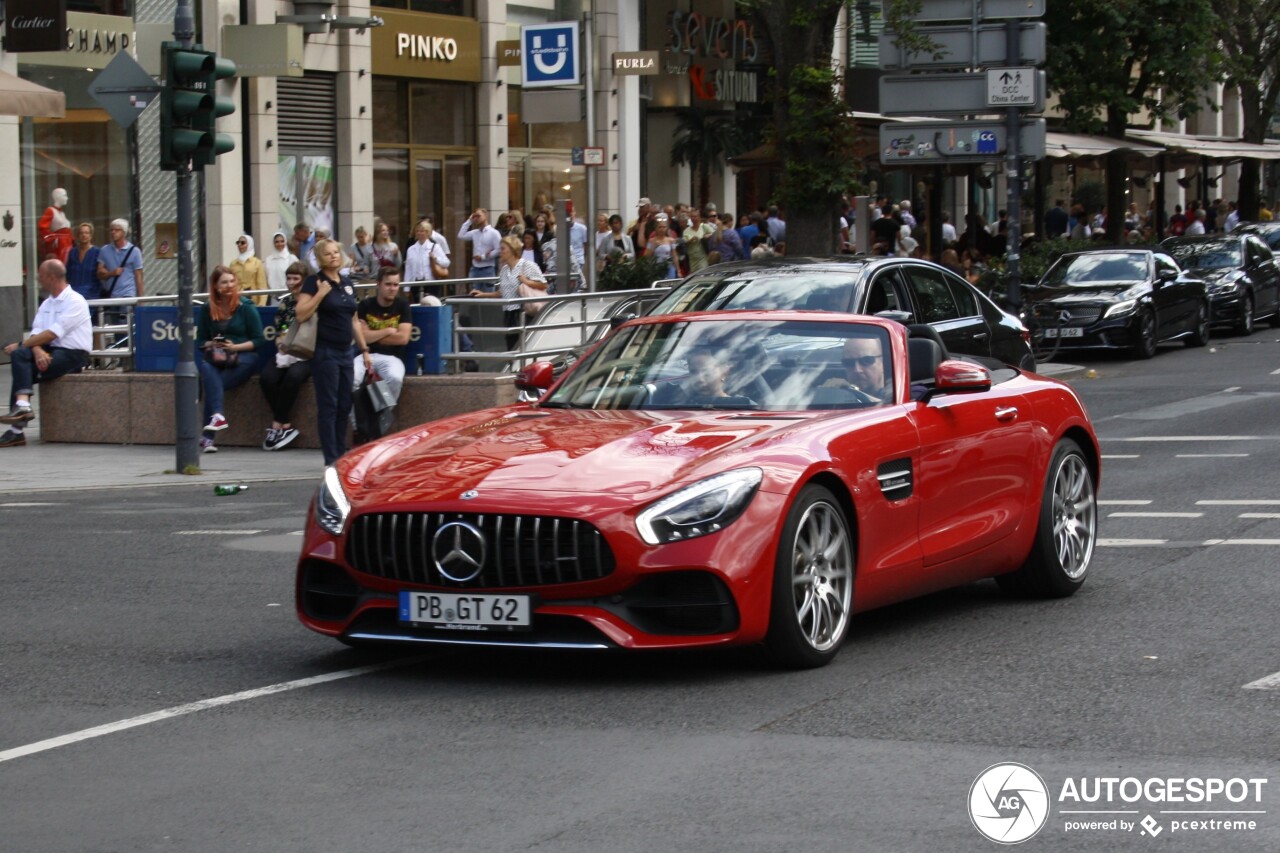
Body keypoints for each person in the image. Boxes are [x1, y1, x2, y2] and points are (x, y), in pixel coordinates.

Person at [295, 238, 372, 466]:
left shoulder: (347, 283)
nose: (333, 257)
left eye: (336, 252)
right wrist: (320, 295)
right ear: (320, 258)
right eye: (327, 254)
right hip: (324, 351)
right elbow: (300, 314)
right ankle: (331, 458)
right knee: (328, 405)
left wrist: (364, 350)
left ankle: (341, 452)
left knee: (344, 404)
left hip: (345, 351)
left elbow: (354, 320)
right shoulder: (314, 282)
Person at [0, 260, 92, 448]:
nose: (38, 280)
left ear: (51, 277)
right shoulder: (46, 304)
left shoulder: (75, 301)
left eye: (40, 276)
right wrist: (36, 349)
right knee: (20, 358)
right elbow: (37, 332)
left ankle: (16, 430)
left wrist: (22, 344)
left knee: (21, 362)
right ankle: (23, 406)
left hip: (73, 354)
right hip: (49, 348)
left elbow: (52, 333)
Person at [195, 266, 265, 453]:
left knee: (212, 383)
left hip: (244, 357)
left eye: (232, 281)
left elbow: (259, 340)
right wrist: (214, 343)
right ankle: (217, 417)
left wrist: (234, 347)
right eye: (224, 282)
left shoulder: (246, 307)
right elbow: (200, 341)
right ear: (216, 286)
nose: (229, 286)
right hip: (218, 357)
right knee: (207, 368)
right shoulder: (207, 309)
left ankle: (207, 437)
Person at [352, 267, 413, 439]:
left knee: (394, 378)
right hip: (365, 355)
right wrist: (388, 330)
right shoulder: (365, 305)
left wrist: (372, 335)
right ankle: (359, 427)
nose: (392, 288)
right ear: (378, 284)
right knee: (350, 378)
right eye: (388, 284)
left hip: (392, 358)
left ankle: (378, 424)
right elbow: (361, 337)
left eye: (396, 284)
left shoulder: (402, 305)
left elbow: (403, 338)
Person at [259, 262, 312, 450]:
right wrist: (280, 344)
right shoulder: (286, 302)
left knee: (293, 377)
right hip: (286, 350)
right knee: (267, 378)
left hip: (307, 352)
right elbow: (279, 329)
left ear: (304, 280)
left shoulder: (313, 301)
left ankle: (276, 424)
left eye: (295, 279)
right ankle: (285, 424)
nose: (291, 282)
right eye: (289, 278)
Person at [468, 235, 548, 350]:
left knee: (524, 345)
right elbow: (503, 292)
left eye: (503, 248)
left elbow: (543, 284)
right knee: (511, 345)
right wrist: (483, 294)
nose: (500, 252)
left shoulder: (527, 265)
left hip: (524, 312)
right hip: (509, 313)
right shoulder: (504, 270)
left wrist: (526, 282)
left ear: (512, 249)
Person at [822, 335, 890, 404]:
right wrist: (827, 394)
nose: (857, 370)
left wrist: (856, 393)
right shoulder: (839, 395)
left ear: (883, 362)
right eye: (849, 363)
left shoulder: (897, 393)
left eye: (866, 360)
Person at [651, 347, 731, 405]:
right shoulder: (678, 406)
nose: (700, 379)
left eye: (707, 372)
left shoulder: (737, 406)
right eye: (694, 372)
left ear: (724, 373)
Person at [96, 219, 144, 299]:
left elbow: (138, 278)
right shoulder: (105, 250)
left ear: (124, 232)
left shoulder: (134, 251)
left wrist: (141, 300)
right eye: (111, 230)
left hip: (127, 294)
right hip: (111, 294)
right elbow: (99, 274)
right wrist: (111, 273)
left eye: (117, 230)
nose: (113, 232)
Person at [403, 219, 451, 292]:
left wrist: (435, 259)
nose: (419, 233)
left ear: (427, 233)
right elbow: (408, 269)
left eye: (422, 231)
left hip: (431, 284)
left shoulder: (435, 247)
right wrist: (406, 288)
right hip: (416, 284)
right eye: (417, 231)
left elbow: (447, 263)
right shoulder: (411, 249)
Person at [457, 207, 502, 284]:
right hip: (475, 269)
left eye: (478, 216)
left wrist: (483, 257)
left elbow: (499, 249)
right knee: (474, 294)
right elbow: (461, 235)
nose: (476, 218)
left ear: (485, 216)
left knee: (488, 293)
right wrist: (469, 221)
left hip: (488, 268)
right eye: (475, 216)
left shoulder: (494, 233)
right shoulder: (475, 233)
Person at [65, 223, 100, 302]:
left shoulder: (97, 252)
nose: (84, 235)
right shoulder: (72, 252)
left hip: (91, 294)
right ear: (77, 236)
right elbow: (68, 274)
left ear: (91, 235)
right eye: (81, 233)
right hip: (73, 294)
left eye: (86, 233)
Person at [229, 234, 269, 305]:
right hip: (237, 298)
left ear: (249, 244)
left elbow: (262, 285)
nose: (239, 245)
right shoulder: (233, 264)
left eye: (243, 243)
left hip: (253, 298)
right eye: (238, 242)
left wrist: (262, 303)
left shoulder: (257, 262)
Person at [37, 188, 73, 262]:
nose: (67, 198)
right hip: (60, 245)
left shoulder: (62, 213)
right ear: (57, 196)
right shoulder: (50, 210)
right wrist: (54, 239)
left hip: (68, 243)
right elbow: (42, 227)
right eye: (65, 195)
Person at [263, 230, 298, 295]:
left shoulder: (292, 258)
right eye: (277, 242)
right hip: (273, 295)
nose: (279, 244)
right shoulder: (268, 260)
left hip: (289, 294)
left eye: (282, 241)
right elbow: (266, 278)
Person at [682, 207, 716, 272]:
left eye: (695, 216)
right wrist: (691, 240)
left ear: (699, 217)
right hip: (692, 259)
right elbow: (685, 243)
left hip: (703, 257)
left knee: (702, 273)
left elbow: (715, 234)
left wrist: (707, 236)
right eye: (692, 216)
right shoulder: (686, 231)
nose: (693, 218)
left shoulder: (704, 226)